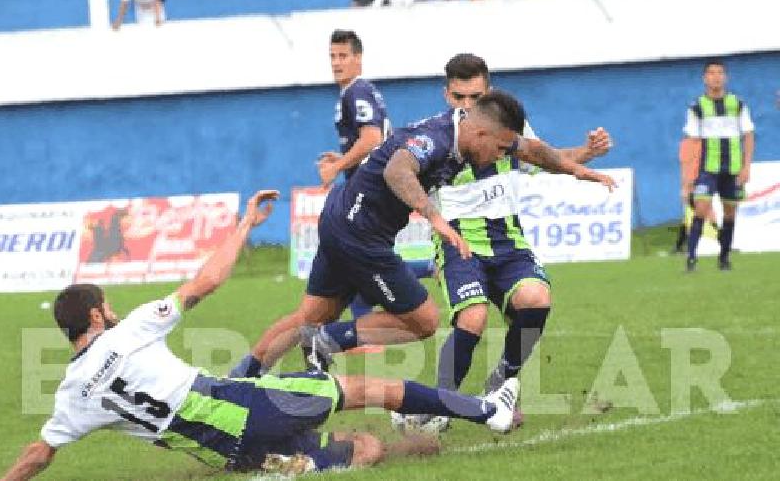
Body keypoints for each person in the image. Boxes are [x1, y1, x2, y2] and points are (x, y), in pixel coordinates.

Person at [0, 190, 522, 480]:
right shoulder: (126, 333)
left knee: (364, 449)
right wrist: (246, 225)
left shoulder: (71, 398)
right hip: (244, 405)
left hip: (221, 449)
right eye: (105, 309)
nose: (111, 313)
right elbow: (205, 283)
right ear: (94, 318)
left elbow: (36, 456)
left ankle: (286, 464)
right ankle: (486, 411)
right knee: (369, 390)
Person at [235, 90, 615, 385]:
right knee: (425, 321)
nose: (501, 155)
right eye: (499, 149)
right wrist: (436, 219)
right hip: (362, 235)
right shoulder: (435, 138)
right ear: (481, 132)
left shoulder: (478, 134)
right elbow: (398, 171)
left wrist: (578, 170)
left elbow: (533, 150)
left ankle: (238, 380)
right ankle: (327, 341)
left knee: (310, 315)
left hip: (338, 219)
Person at [411, 54, 611, 431]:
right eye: (459, 97)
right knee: (473, 317)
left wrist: (586, 155)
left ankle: (500, 383)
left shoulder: (507, 130)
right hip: (460, 242)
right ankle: (441, 405)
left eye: (476, 96)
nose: (469, 107)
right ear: (446, 95)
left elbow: (545, 157)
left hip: (508, 240)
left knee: (537, 298)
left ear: (489, 92)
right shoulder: (437, 139)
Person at [315, 30, 388, 323]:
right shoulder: (354, 92)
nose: (336, 62)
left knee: (353, 250)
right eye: (332, 56)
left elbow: (372, 138)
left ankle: (425, 269)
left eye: (343, 56)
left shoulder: (357, 91)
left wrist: (336, 167)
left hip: (370, 186)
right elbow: (366, 139)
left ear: (358, 58)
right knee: (356, 251)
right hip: (366, 182)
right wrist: (343, 159)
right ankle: (361, 317)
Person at [683, 60, 755, 272]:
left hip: (732, 168)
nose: (716, 77)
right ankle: (691, 259)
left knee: (730, 213)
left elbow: (748, 135)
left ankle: (724, 258)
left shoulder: (738, 104)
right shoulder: (697, 106)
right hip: (708, 168)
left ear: (726, 77)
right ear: (704, 78)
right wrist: (689, 176)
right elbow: (693, 142)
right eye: (711, 73)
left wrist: (746, 166)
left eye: (720, 72)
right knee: (701, 209)